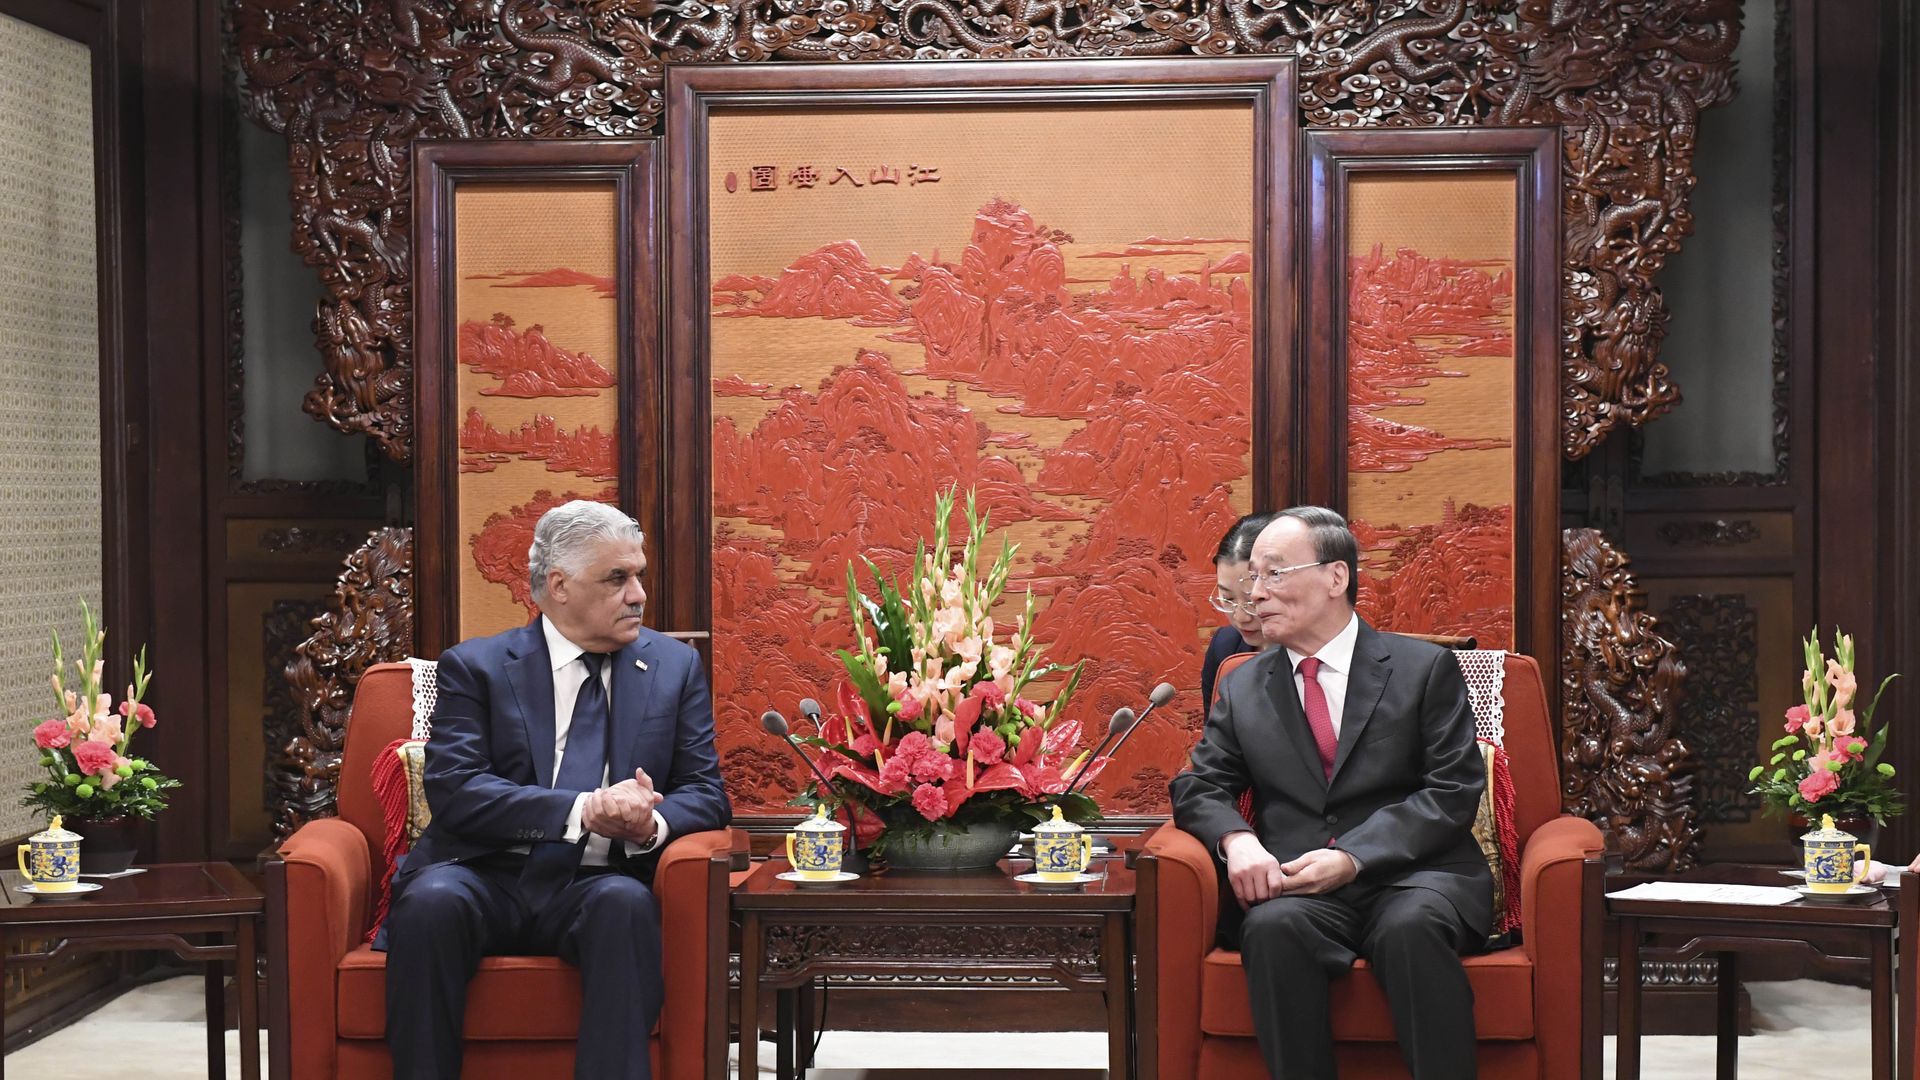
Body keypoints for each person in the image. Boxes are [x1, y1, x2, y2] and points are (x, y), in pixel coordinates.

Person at [383, 500, 731, 1080]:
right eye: (617, 578)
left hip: (597, 881)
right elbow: (459, 791)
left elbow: (706, 791)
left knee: (625, 904)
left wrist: (651, 825)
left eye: (639, 574)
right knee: (432, 901)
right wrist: (584, 809)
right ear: (559, 585)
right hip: (482, 873)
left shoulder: (673, 668)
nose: (639, 594)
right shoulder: (477, 668)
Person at [1170, 506, 1490, 1080]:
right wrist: (1236, 841)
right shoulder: (1243, 685)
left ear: (1336, 577)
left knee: (1409, 929)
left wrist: (1352, 857)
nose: (1255, 594)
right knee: (1270, 929)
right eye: (1249, 581)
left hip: (1415, 875)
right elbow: (1200, 783)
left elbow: (1454, 790)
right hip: (1299, 881)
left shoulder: (1424, 669)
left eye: (1272, 574)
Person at [1200, 510, 1277, 711]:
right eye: (1228, 599)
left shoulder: (1317, 653)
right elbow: (1213, 738)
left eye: (1252, 601)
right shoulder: (1224, 647)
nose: (1240, 618)